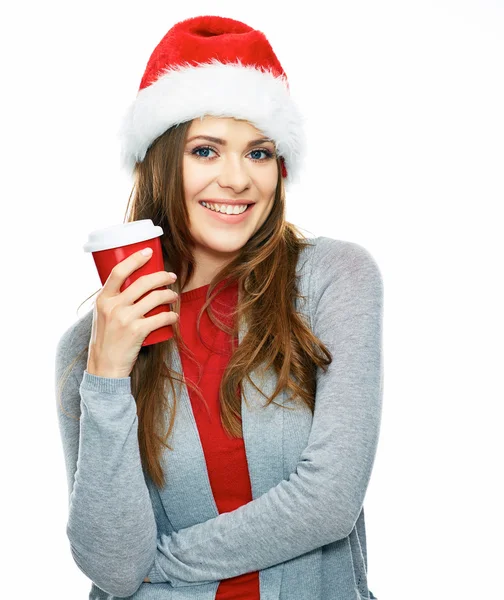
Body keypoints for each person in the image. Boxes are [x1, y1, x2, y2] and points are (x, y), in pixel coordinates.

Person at [55, 14, 383, 600]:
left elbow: (330, 501)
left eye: (258, 153)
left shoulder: (333, 279)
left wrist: (162, 563)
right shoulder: (86, 347)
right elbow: (112, 564)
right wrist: (105, 377)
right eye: (206, 150)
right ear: (160, 162)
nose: (237, 179)